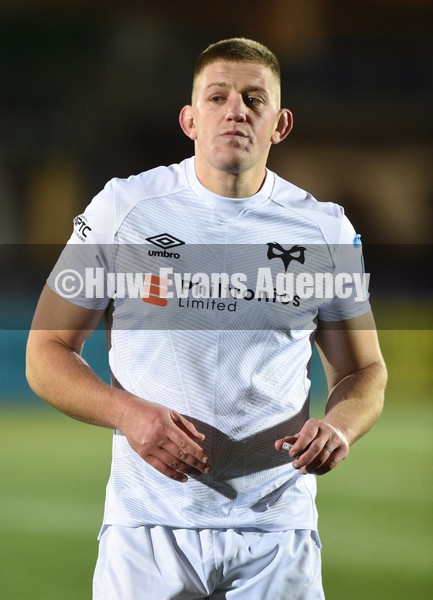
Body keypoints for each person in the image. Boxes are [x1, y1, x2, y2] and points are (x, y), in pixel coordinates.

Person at [26, 38, 387, 599]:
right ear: (189, 119)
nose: (235, 109)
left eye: (253, 98)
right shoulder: (123, 209)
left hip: (276, 535)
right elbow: (44, 352)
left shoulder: (325, 231)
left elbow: (365, 373)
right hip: (145, 530)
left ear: (280, 124)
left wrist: (341, 426)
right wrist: (128, 415)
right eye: (217, 97)